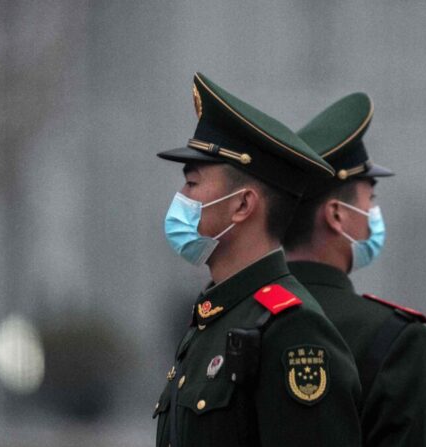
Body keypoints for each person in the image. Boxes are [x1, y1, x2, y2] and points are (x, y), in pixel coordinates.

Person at [153, 73, 362, 447]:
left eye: (193, 183)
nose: (181, 197)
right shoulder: (214, 318)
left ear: (243, 205)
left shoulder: (292, 330)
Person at [284, 93, 426, 446]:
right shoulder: (396, 339)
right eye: (370, 200)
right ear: (337, 215)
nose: (374, 215)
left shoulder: (235, 318)